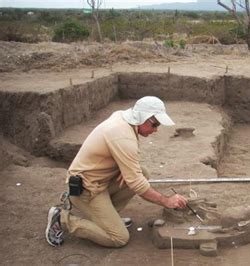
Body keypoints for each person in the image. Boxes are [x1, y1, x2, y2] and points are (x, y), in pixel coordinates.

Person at [45, 96, 188, 247]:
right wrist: (166, 201)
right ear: (144, 118)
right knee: (119, 238)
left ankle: (106, 218)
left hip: (99, 181)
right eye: (155, 125)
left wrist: (123, 169)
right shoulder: (122, 137)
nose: (156, 130)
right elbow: (137, 184)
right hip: (87, 189)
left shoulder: (123, 117)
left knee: (142, 172)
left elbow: (133, 172)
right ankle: (63, 219)